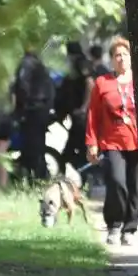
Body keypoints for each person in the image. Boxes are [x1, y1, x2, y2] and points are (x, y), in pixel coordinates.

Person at [85, 37, 138, 245]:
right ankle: (114, 224)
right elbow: (93, 115)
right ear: (111, 59)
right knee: (117, 182)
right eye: (117, 55)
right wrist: (91, 143)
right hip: (112, 141)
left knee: (136, 186)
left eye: (125, 54)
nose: (122, 58)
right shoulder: (103, 83)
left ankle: (130, 228)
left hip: (137, 140)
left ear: (131, 57)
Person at [12, 47, 56, 183]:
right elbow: (51, 90)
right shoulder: (41, 66)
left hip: (31, 110)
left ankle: (32, 175)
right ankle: (39, 174)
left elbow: (21, 87)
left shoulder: (25, 64)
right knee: (38, 145)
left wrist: (20, 110)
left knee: (30, 145)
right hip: (42, 111)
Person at [58, 41, 95, 175]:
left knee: (74, 148)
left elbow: (90, 84)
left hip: (83, 116)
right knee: (77, 147)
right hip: (78, 115)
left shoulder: (81, 63)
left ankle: (85, 174)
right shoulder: (78, 64)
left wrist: (84, 107)